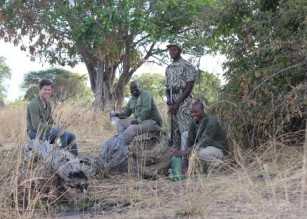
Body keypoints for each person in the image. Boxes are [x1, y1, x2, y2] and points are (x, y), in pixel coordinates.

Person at [26, 79, 78, 155]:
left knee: (71, 136)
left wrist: (58, 126)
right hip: (34, 133)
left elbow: (50, 120)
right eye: (45, 89)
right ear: (40, 90)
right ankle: (61, 156)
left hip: (46, 130)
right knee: (62, 134)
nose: (47, 92)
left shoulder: (48, 104)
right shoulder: (34, 104)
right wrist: (53, 129)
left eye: (49, 90)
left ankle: (73, 159)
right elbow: (36, 126)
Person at [165, 44, 197, 153]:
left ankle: (185, 156)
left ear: (180, 51)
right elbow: (167, 87)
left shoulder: (187, 65)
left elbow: (189, 86)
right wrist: (169, 101)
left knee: (185, 129)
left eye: (174, 50)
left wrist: (177, 103)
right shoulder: (169, 68)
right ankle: (175, 157)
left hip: (184, 101)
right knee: (175, 130)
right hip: (172, 101)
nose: (171, 52)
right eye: (170, 50)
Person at [110, 80, 162, 145]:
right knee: (120, 123)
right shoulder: (132, 99)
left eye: (135, 87)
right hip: (140, 121)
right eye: (132, 89)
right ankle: (122, 142)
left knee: (132, 128)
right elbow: (126, 113)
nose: (134, 90)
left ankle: (119, 145)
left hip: (152, 122)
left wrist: (138, 120)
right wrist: (117, 114)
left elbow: (146, 110)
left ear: (140, 87)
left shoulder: (146, 94)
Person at [186, 100, 227, 170]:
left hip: (217, 149)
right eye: (192, 112)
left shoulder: (211, 121)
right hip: (204, 148)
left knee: (200, 153)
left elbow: (204, 141)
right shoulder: (194, 122)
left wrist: (187, 151)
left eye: (196, 112)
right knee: (185, 136)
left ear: (202, 110)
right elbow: (190, 141)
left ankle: (222, 164)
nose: (193, 114)